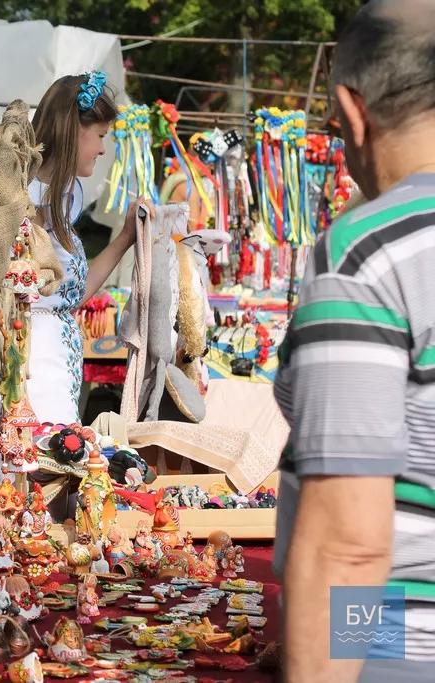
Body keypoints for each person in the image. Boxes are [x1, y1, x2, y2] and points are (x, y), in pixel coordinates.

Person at [273, 2, 435, 681]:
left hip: (401, 636)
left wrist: (336, 657)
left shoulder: (371, 252)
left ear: (352, 109)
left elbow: (350, 547)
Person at [0, 72, 150, 512]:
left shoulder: (59, 202)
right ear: (74, 132)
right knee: (20, 496)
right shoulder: (19, 203)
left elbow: (69, 297)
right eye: (100, 136)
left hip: (53, 377)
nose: (103, 149)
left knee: (50, 494)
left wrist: (124, 240)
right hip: (25, 378)